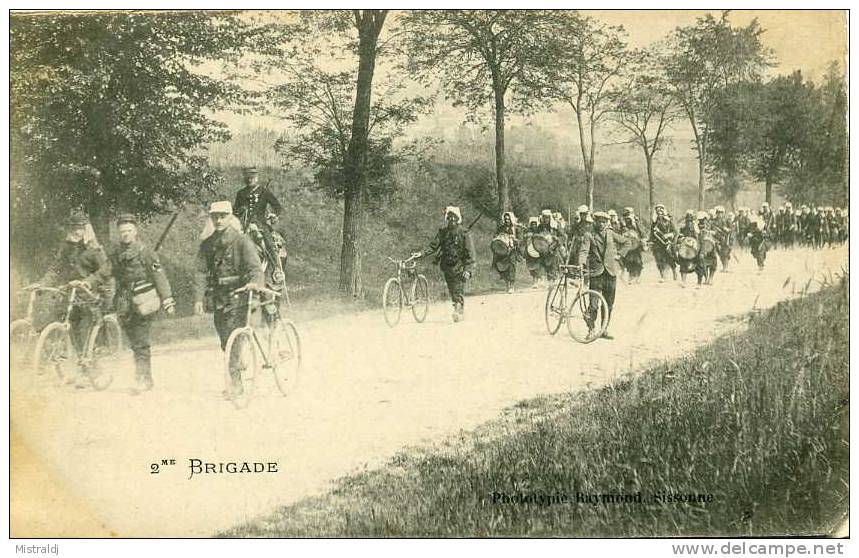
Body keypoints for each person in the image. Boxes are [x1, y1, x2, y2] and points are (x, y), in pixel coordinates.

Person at [193, 201, 263, 396]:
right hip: (219, 299)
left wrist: (254, 283)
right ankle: (237, 367)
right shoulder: (208, 245)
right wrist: (198, 299)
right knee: (226, 342)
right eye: (215, 217)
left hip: (240, 296)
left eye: (223, 216)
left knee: (235, 339)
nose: (218, 220)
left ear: (230, 217)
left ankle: (235, 384)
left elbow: (255, 269)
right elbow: (200, 272)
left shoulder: (242, 241)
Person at [35, 212, 112, 385]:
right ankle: (73, 364)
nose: (77, 232)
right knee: (67, 327)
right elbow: (55, 269)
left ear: (86, 229)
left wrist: (88, 282)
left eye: (80, 228)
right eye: (74, 228)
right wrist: (42, 283)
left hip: (89, 294)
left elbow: (106, 270)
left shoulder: (94, 249)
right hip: (70, 293)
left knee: (84, 331)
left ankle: (91, 370)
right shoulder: (67, 247)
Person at [109, 214, 175, 394]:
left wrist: (167, 299)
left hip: (144, 301)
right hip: (125, 303)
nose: (125, 234)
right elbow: (108, 272)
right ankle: (146, 377)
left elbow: (159, 276)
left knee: (141, 341)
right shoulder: (116, 254)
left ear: (135, 231)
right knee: (134, 342)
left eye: (129, 231)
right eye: (122, 231)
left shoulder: (145, 252)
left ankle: (143, 378)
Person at [415, 206, 475, 322]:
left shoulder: (464, 233)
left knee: (458, 289)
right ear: (447, 218)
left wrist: (468, 270)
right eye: (449, 217)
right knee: (452, 289)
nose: (452, 219)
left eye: (454, 217)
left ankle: (457, 310)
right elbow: (433, 246)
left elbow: (470, 253)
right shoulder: (443, 233)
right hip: (447, 266)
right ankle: (459, 308)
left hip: (460, 266)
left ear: (458, 218)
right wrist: (421, 254)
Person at [577, 211, 630, 340]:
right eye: (599, 221)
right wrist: (581, 263)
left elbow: (627, 242)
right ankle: (591, 329)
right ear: (594, 221)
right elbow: (583, 251)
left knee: (609, 303)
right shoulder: (589, 235)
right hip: (596, 273)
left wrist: (620, 255)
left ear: (607, 223)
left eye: (604, 222)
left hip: (611, 272)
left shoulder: (611, 234)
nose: (601, 224)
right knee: (593, 304)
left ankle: (604, 329)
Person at [233, 166, 284, 284]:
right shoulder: (241, 193)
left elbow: (277, 206)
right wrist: (240, 211)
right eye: (247, 177)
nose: (250, 179)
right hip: (244, 224)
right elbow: (235, 211)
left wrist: (273, 215)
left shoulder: (264, 192)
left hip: (260, 224)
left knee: (268, 241)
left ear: (256, 177)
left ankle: (277, 269)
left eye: (252, 177)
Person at [492, 211, 522, 294]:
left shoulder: (516, 229)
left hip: (512, 250)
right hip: (503, 251)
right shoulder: (501, 228)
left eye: (508, 219)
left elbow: (520, 241)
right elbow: (496, 236)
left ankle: (512, 285)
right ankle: (507, 283)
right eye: (505, 219)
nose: (507, 221)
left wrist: (514, 239)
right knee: (501, 266)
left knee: (512, 267)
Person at [535, 209, 566, 283]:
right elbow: (535, 236)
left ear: (550, 217)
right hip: (543, 250)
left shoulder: (555, 226)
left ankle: (553, 281)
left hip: (554, 249)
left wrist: (556, 240)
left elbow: (563, 236)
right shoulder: (540, 227)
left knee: (554, 265)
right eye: (544, 217)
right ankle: (543, 280)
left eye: (547, 217)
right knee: (542, 265)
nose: (546, 219)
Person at [650, 203, 677, 282]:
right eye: (658, 210)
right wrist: (651, 240)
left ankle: (674, 271)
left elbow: (675, 231)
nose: (659, 212)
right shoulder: (655, 222)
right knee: (659, 259)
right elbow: (652, 232)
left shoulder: (669, 221)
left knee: (669, 257)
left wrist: (669, 235)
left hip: (667, 242)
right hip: (658, 243)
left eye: (661, 210)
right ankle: (662, 275)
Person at [618, 207, 645, 284]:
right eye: (626, 214)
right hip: (627, 244)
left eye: (628, 214)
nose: (627, 218)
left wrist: (635, 224)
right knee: (628, 261)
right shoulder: (622, 222)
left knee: (637, 261)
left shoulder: (636, 221)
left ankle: (637, 276)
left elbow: (642, 232)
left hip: (636, 243)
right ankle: (631, 276)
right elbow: (619, 232)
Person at [676, 210, 698, 287]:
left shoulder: (695, 226)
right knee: (682, 262)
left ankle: (699, 280)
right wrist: (681, 238)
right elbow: (679, 235)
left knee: (698, 259)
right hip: (684, 245)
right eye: (687, 220)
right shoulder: (682, 226)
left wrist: (694, 239)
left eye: (690, 219)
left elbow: (697, 236)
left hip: (693, 245)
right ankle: (683, 281)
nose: (689, 222)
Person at [696, 211, 718, 286]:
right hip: (701, 245)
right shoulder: (696, 225)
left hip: (711, 244)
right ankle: (705, 277)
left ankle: (711, 278)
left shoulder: (711, 224)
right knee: (702, 261)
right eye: (700, 220)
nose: (702, 221)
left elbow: (716, 232)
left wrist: (710, 232)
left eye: (703, 219)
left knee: (713, 261)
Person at [711, 205, 733, 272]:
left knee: (725, 253)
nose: (719, 214)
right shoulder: (713, 221)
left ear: (723, 213)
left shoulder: (727, 220)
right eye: (718, 212)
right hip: (717, 239)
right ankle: (724, 266)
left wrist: (727, 229)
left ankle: (725, 267)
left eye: (721, 213)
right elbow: (711, 229)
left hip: (726, 239)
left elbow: (731, 229)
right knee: (720, 254)